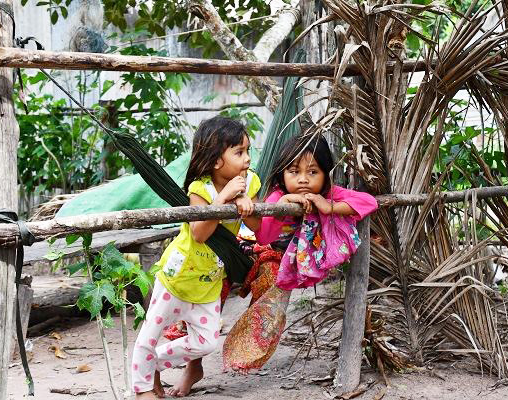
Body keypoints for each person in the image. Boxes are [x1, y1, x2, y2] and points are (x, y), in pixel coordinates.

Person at [223, 133, 378, 372]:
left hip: (303, 264)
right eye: (294, 172)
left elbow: (370, 202)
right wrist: (284, 203)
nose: (303, 180)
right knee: (267, 310)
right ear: (282, 173)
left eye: (313, 172)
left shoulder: (328, 195)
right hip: (270, 260)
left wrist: (329, 206)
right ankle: (241, 354)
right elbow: (264, 237)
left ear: (326, 174)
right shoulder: (277, 196)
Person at [132, 116, 261, 399]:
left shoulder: (249, 182)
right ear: (216, 161)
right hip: (176, 278)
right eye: (239, 152)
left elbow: (256, 227)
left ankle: (153, 362)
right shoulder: (200, 189)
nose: (248, 159)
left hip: (209, 282)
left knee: (205, 342)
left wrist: (246, 205)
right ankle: (143, 390)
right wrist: (223, 199)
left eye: (248, 150)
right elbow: (200, 233)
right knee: (148, 337)